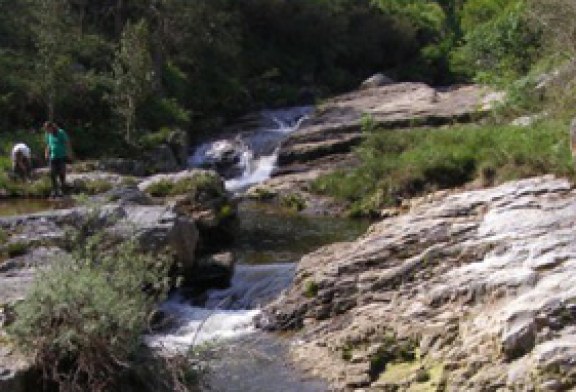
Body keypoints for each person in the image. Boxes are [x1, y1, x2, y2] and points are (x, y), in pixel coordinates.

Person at [44, 121, 73, 197]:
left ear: (51, 127)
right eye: (46, 130)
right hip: (53, 157)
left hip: (62, 156)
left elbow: (67, 143)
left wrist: (69, 153)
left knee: (61, 173)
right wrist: (46, 153)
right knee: (52, 173)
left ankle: (62, 189)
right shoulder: (48, 134)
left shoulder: (61, 132)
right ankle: (54, 190)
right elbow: (48, 144)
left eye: (48, 129)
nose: (47, 131)